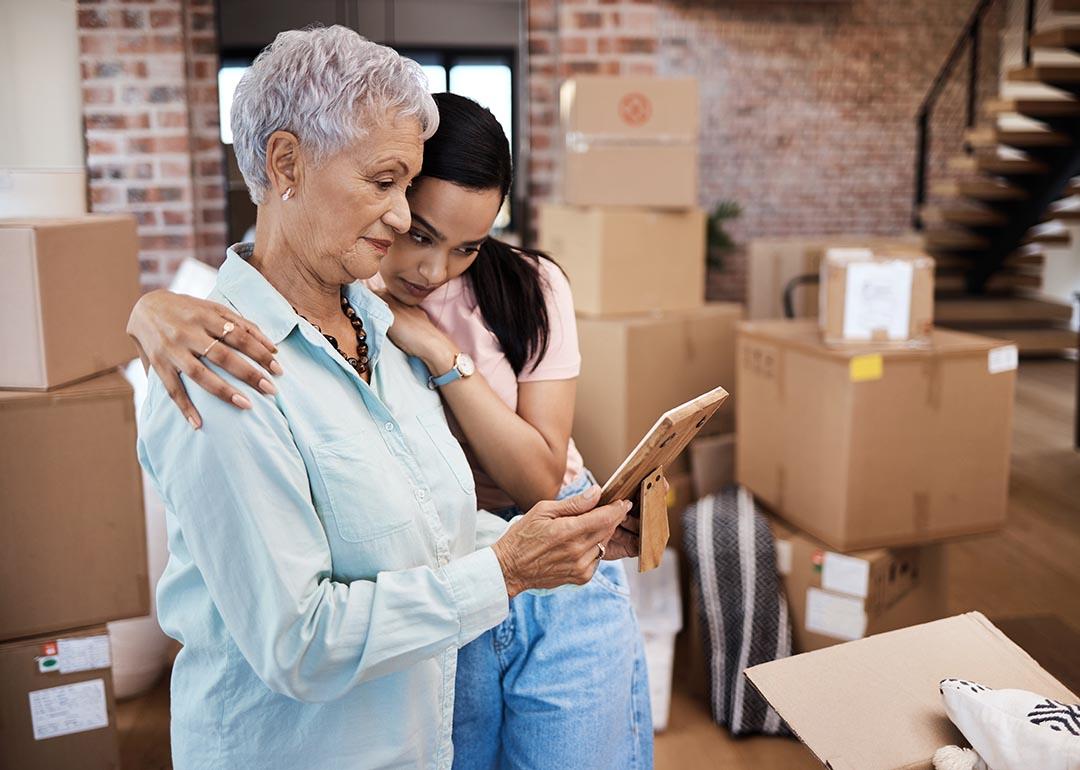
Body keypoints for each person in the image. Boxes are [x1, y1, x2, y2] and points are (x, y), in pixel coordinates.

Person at [133, 26, 636, 770]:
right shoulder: (221, 367)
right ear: (286, 164)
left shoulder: (377, 329)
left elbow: (421, 530)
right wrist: (506, 569)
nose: (402, 219)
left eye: (407, 188)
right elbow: (300, 642)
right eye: (384, 183)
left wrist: (544, 539)